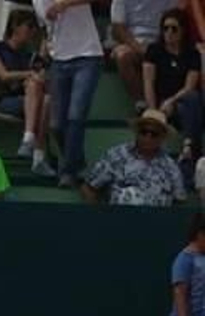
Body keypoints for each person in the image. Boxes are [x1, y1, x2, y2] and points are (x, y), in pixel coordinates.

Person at [36, 0, 103, 185]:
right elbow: (46, 26)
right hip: (59, 57)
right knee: (56, 124)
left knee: (75, 116)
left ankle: (68, 171)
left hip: (88, 54)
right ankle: (76, 160)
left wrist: (64, 4)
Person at [0, 8, 53, 177]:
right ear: (15, 26)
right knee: (35, 87)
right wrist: (29, 74)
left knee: (46, 99)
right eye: (29, 26)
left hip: (27, 100)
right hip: (2, 100)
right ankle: (34, 147)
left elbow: (40, 77)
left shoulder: (28, 55)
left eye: (34, 28)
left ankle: (33, 149)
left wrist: (40, 67)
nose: (32, 31)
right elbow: (3, 75)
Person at [83, 107, 188, 204]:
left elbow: (179, 200)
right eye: (144, 132)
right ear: (137, 132)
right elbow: (89, 188)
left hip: (157, 217)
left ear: (162, 137)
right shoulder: (116, 155)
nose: (148, 137)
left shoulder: (171, 167)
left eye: (154, 134)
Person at [145, 10, 203, 172]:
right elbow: (148, 83)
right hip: (163, 104)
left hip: (182, 100)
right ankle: (192, 151)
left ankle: (188, 148)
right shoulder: (154, 50)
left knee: (191, 99)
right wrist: (154, 112)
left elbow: (189, 86)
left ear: (183, 31)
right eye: (165, 28)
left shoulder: (191, 53)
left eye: (174, 29)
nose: (169, 32)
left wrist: (171, 101)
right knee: (192, 106)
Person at [113, 0, 171, 108]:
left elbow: (175, 19)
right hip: (134, 42)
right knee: (122, 55)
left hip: (163, 41)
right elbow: (118, 29)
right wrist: (140, 49)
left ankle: (168, 103)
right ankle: (141, 104)